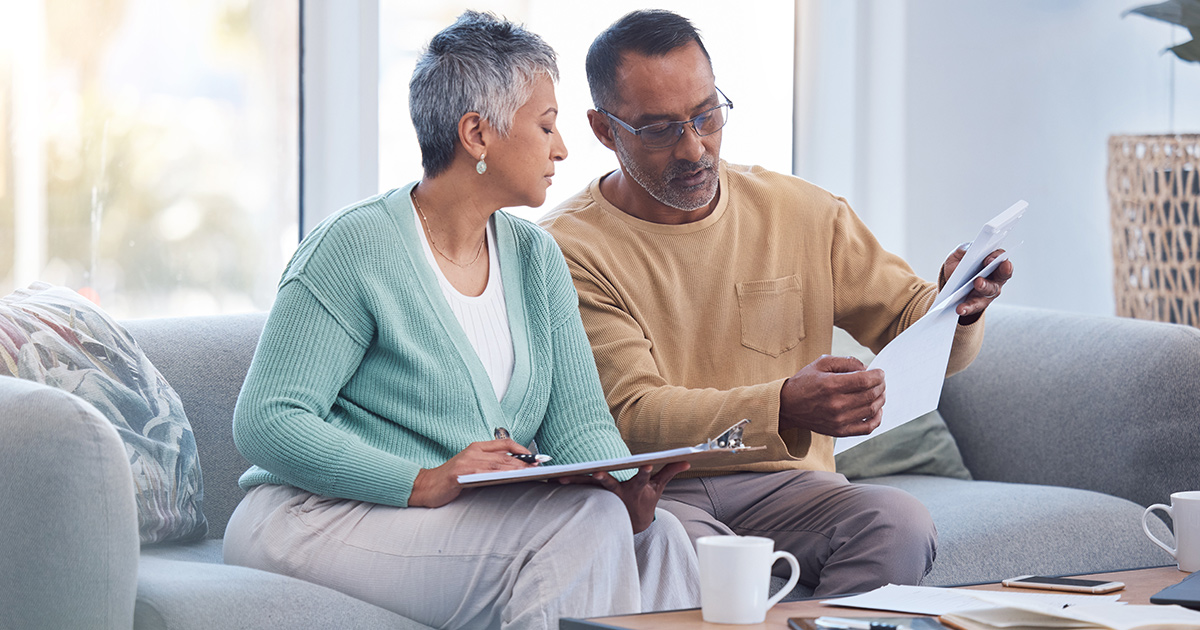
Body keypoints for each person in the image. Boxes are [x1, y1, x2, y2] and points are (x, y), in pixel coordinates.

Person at [223, 11, 699, 630]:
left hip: (440, 521)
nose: (561, 148)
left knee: (660, 538)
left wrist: (627, 487)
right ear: (477, 133)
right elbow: (266, 421)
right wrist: (424, 480)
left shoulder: (536, 258)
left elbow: (581, 427)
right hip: (314, 516)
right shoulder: (354, 247)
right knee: (586, 527)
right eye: (547, 125)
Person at [539, 9, 1014, 597]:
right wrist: (784, 406)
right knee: (670, 551)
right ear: (605, 129)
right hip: (662, 491)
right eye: (660, 129)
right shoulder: (566, 249)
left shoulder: (804, 212)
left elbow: (910, 322)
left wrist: (958, 306)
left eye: (706, 115)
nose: (694, 147)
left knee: (899, 523)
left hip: (792, 488)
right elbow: (632, 416)